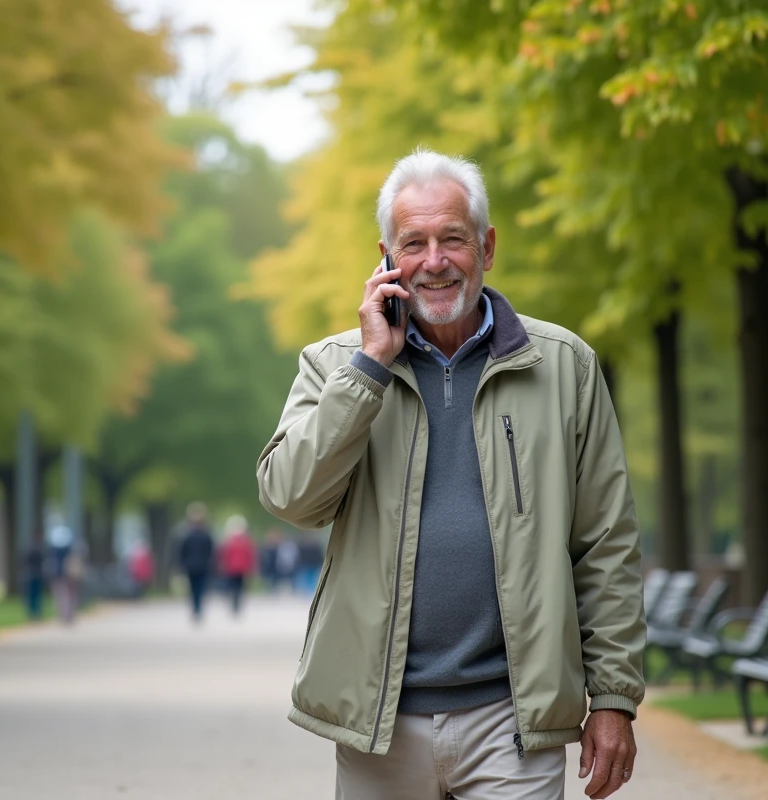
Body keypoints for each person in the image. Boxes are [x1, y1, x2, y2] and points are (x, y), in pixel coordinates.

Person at [257, 149, 645, 800]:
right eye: (413, 243)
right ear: (385, 258)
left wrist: (613, 697)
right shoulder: (334, 367)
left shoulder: (565, 367)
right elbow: (292, 498)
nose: (434, 261)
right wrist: (369, 370)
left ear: (487, 247)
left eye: (453, 239)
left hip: (513, 722)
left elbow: (605, 544)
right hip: (379, 723)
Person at [177, 502, 215, 623]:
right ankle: (198, 608)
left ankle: (195, 608)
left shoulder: (186, 535)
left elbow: (182, 551)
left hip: (190, 566)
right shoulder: (206, 535)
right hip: (203, 566)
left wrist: (181, 564)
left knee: (193, 588)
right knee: (200, 588)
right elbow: (211, 551)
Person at [217, 515, 257, 615]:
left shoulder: (228, 541)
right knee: (239, 587)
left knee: (233, 586)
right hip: (241, 568)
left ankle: (234, 604)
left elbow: (225, 555)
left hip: (232, 568)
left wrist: (223, 565)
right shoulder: (246, 541)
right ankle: (237, 604)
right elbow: (250, 555)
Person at [49, 526, 84, 625]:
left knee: (60, 595)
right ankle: (70, 615)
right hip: (70, 573)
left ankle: (63, 615)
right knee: (71, 595)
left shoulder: (54, 549)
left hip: (58, 573)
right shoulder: (70, 547)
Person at [22, 532, 47, 621]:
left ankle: (32, 613)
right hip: (37, 574)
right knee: (37, 595)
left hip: (30, 574)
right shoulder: (40, 549)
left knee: (31, 595)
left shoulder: (28, 548)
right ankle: (37, 612)